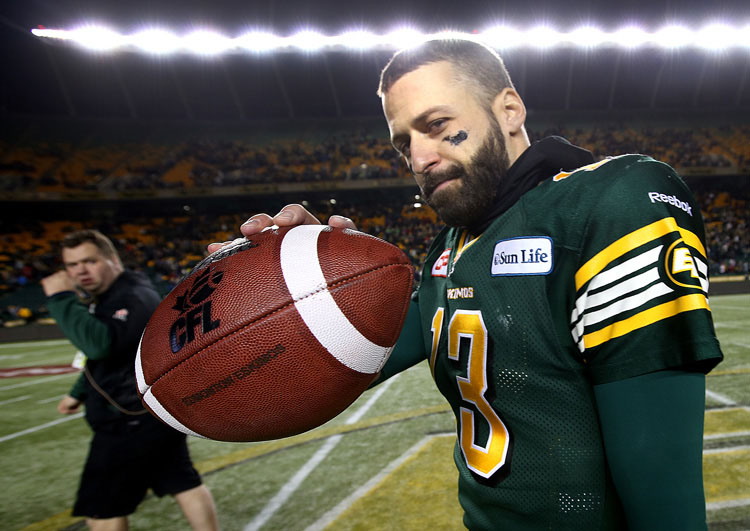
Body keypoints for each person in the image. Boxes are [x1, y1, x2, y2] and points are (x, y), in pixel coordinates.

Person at [213, 38, 724, 530]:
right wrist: (287, 291)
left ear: (509, 110)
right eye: (403, 144)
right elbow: (325, 370)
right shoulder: (450, 248)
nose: (419, 158)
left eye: (436, 125)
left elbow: (660, 484)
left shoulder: (614, 200)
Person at [42, 230, 219, 531]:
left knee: (102, 508)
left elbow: (99, 346)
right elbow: (107, 359)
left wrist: (61, 298)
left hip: (128, 417)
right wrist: (78, 393)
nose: (80, 271)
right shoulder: (119, 294)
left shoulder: (130, 297)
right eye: (72, 265)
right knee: (182, 481)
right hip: (149, 409)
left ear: (112, 259)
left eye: (89, 261)